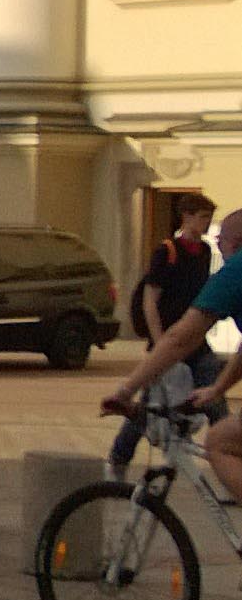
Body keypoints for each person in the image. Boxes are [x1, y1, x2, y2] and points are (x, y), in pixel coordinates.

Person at [105, 206, 242, 495]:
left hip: (186, 343)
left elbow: (182, 338)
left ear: (236, 243)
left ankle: (118, 458)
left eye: (221, 240)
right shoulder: (168, 251)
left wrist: (125, 391)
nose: (217, 245)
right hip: (177, 343)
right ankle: (119, 457)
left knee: (220, 442)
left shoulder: (235, 270)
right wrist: (217, 388)